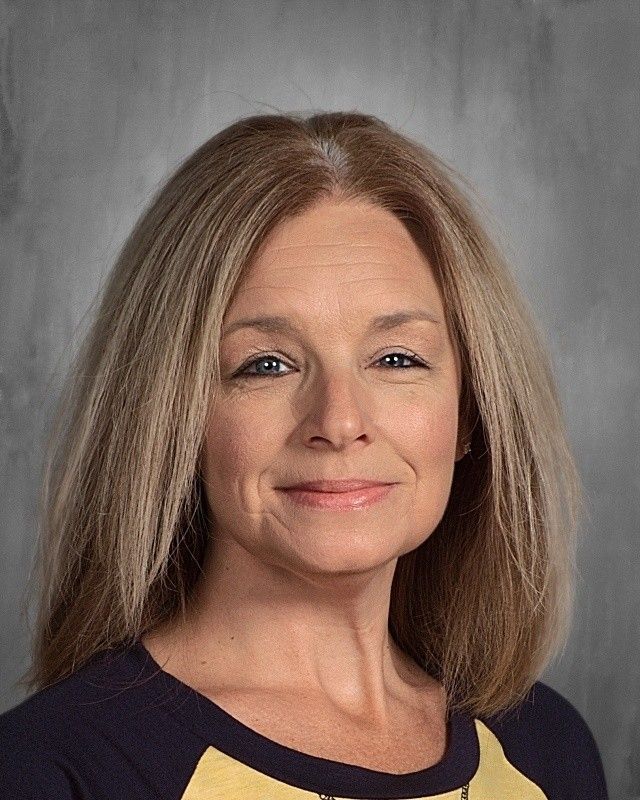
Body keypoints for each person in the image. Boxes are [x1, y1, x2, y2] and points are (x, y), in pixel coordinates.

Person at [0, 111, 608, 800]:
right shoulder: (49, 771)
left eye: (397, 358)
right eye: (266, 365)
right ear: (174, 416)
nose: (339, 422)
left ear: (470, 412)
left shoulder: (548, 751)